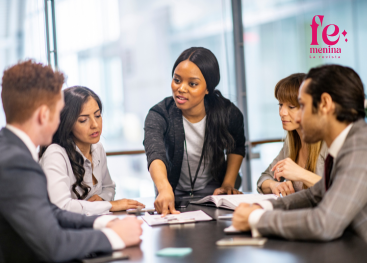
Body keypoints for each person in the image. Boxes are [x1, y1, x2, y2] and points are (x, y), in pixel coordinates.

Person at [0, 60, 143, 263]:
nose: (61, 122)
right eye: (59, 113)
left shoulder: (10, 150)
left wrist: (102, 223)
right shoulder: (16, 163)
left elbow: (51, 211)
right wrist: (114, 236)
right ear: (43, 115)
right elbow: (54, 245)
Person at [232, 64, 367, 242]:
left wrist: (255, 219)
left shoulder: (360, 149)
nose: (296, 118)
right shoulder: (347, 143)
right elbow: (313, 195)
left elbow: (324, 224)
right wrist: (263, 207)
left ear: (325, 104)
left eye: (301, 106)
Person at [144, 47, 246, 215]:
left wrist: (228, 184)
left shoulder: (228, 112)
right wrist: (163, 188)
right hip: (172, 190)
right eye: (177, 80)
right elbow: (155, 152)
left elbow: (237, 146)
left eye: (192, 84)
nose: (181, 88)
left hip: (214, 190)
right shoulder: (160, 114)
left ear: (208, 88)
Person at [39, 86, 145, 215]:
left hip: (93, 224)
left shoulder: (97, 147)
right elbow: (61, 206)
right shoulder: (55, 154)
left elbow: (109, 187)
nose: (95, 124)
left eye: (97, 115)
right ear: (68, 124)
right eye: (83, 120)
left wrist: (102, 199)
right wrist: (109, 205)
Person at [257, 73, 328, 196]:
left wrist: (301, 174)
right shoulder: (290, 144)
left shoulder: (328, 143)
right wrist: (275, 185)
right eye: (280, 105)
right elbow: (263, 179)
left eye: (291, 106)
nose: (282, 112)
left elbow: (342, 191)